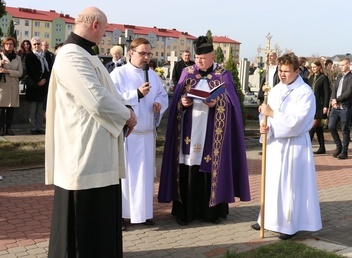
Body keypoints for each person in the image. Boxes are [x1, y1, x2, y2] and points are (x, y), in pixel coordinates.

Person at [45, 6, 137, 257]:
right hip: (83, 155)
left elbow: (108, 94)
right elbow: (96, 100)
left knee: (98, 225)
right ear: (95, 25)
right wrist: (127, 115)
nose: (105, 35)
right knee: (81, 229)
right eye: (105, 29)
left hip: (97, 152)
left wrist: (125, 107)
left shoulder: (86, 55)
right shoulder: (71, 56)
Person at [157, 36, 250, 226]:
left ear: (213, 56)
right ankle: (186, 212)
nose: (199, 61)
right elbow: (177, 101)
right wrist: (183, 102)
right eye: (197, 57)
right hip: (189, 132)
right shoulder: (186, 72)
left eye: (203, 58)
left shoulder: (223, 75)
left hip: (212, 132)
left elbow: (232, 105)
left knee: (210, 166)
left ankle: (211, 213)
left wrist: (218, 103)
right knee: (188, 165)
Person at [251, 52, 322, 240]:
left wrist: (272, 114)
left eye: (287, 71)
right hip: (275, 144)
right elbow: (265, 114)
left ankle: (288, 225)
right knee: (272, 182)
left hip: (294, 145)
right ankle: (266, 219)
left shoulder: (305, 92)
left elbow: (298, 122)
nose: (282, 75)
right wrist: (264, 125)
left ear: (297, 71)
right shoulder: (276, 89)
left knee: (289, 185)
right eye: (280, 71)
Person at [110, 37, 168, 230]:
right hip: (129, 135)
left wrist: (160, 104)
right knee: (127, 177)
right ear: (130, 54)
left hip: (147, 134)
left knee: (145, 177)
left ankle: (142, 213)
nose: (146, 57)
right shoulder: (119, 74)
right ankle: (121, 215)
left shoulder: (153, 75)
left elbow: (162, 94)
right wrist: (136, 94)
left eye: (149, 54)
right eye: (142, 53)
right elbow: (111, 98)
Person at [328, 58, 352, 159]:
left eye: (343, 65)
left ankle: (344, 151)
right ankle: (338, 146)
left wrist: (338, 100)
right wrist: (332, 100)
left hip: (345, 107)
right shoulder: (339, 76)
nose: (341, 67)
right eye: (340, 65)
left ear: (348, 65)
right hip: (336, 107)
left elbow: (349, 92)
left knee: (345, 130)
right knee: (331, 126)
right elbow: (334, 89)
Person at [25, 37, 53, 135]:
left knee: (41, 109)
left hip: (43, 86)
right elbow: (30, 71)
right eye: (35, 44)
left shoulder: (46, 56)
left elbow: (49, 69)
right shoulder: (29, 56)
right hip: (34, 86)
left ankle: (40, 127)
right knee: (33, 109)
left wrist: (44, 80)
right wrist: (38, 81)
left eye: (38, 44)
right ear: (32, 46)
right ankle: (33, 128)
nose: (37, 46)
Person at [0, 37, 23, 136]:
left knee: (11, 109)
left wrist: (8, 71)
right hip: (2, 85)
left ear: (14, 46)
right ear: (4, 45)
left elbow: (20, 73)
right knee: (1, 109)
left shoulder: (18, 58)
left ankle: (8, 128)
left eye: (11, 44)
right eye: (7, 44)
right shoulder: (0, 56)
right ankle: (1, 128)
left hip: (13, 86)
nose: (9, 46)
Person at [308, 59, 330, 154]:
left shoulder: (323, 78)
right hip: (311, 105)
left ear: (319, 67)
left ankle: (306, 146)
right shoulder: (311, 78)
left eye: (315, 67)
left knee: (312, 126)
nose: (313, 69)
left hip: (320, 105)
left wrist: (326, 106)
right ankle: (322, 147)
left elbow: (327, 93)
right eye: (312, 67)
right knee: (318, 127)